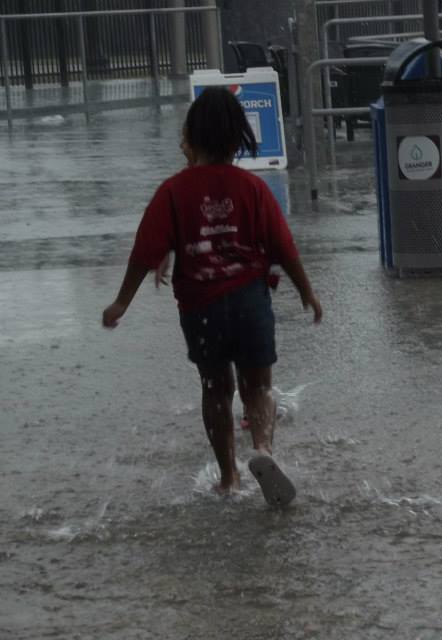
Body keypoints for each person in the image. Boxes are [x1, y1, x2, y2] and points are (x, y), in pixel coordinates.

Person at [102, 87, 323, 507]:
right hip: (249, 303)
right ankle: (263, 448)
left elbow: (144, 250)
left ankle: (229, 477)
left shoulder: (173, 191)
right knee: (258, 385)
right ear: (238, 137)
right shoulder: (253, 188)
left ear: (192, 136)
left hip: (201, 307)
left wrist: (121, 303)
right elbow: (282, 245)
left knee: (215, 388)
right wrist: (307, 291)